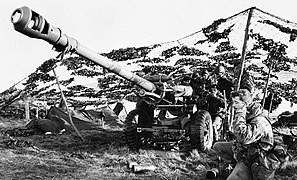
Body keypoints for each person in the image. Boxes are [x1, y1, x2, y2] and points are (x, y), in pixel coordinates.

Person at [209, 89, 277, 180]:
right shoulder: (249, 115)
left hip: (255, 161)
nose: (234, 105)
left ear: (246, 104)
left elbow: (243, 137)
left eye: (236, 102)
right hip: (245, 152)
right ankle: (235, 165)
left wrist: (240, 113)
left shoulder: (260, 121)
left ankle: (243, 171)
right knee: (218, 146)